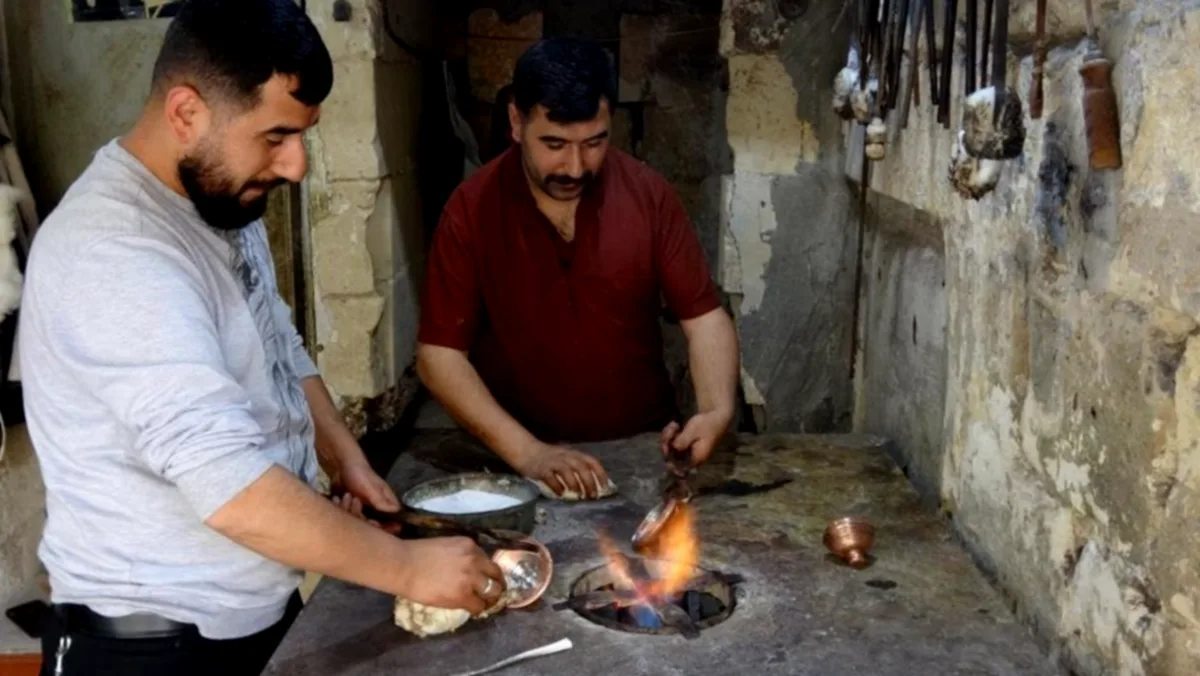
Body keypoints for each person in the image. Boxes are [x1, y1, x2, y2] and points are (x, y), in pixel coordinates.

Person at [18, 2, 504, 674]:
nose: (296, 165)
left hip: (251, 613)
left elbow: (277, 339)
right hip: (151, 644)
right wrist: (405, 567)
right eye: (275, 136)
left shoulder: (220, 202)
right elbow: (229, 486)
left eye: (302, 135)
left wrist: (344, 460)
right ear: (186, 113)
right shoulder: (115, 253)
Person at [416, 37, 740, 499]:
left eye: (594, 143)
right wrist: (530, 453)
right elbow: (439, 357)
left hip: (642, 449)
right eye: (553, 144)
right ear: (515, 121)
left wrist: (714, 410)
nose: (574, 166)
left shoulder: (648, 196)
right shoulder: (470, 210)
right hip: (515, 457)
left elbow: (705, 319)